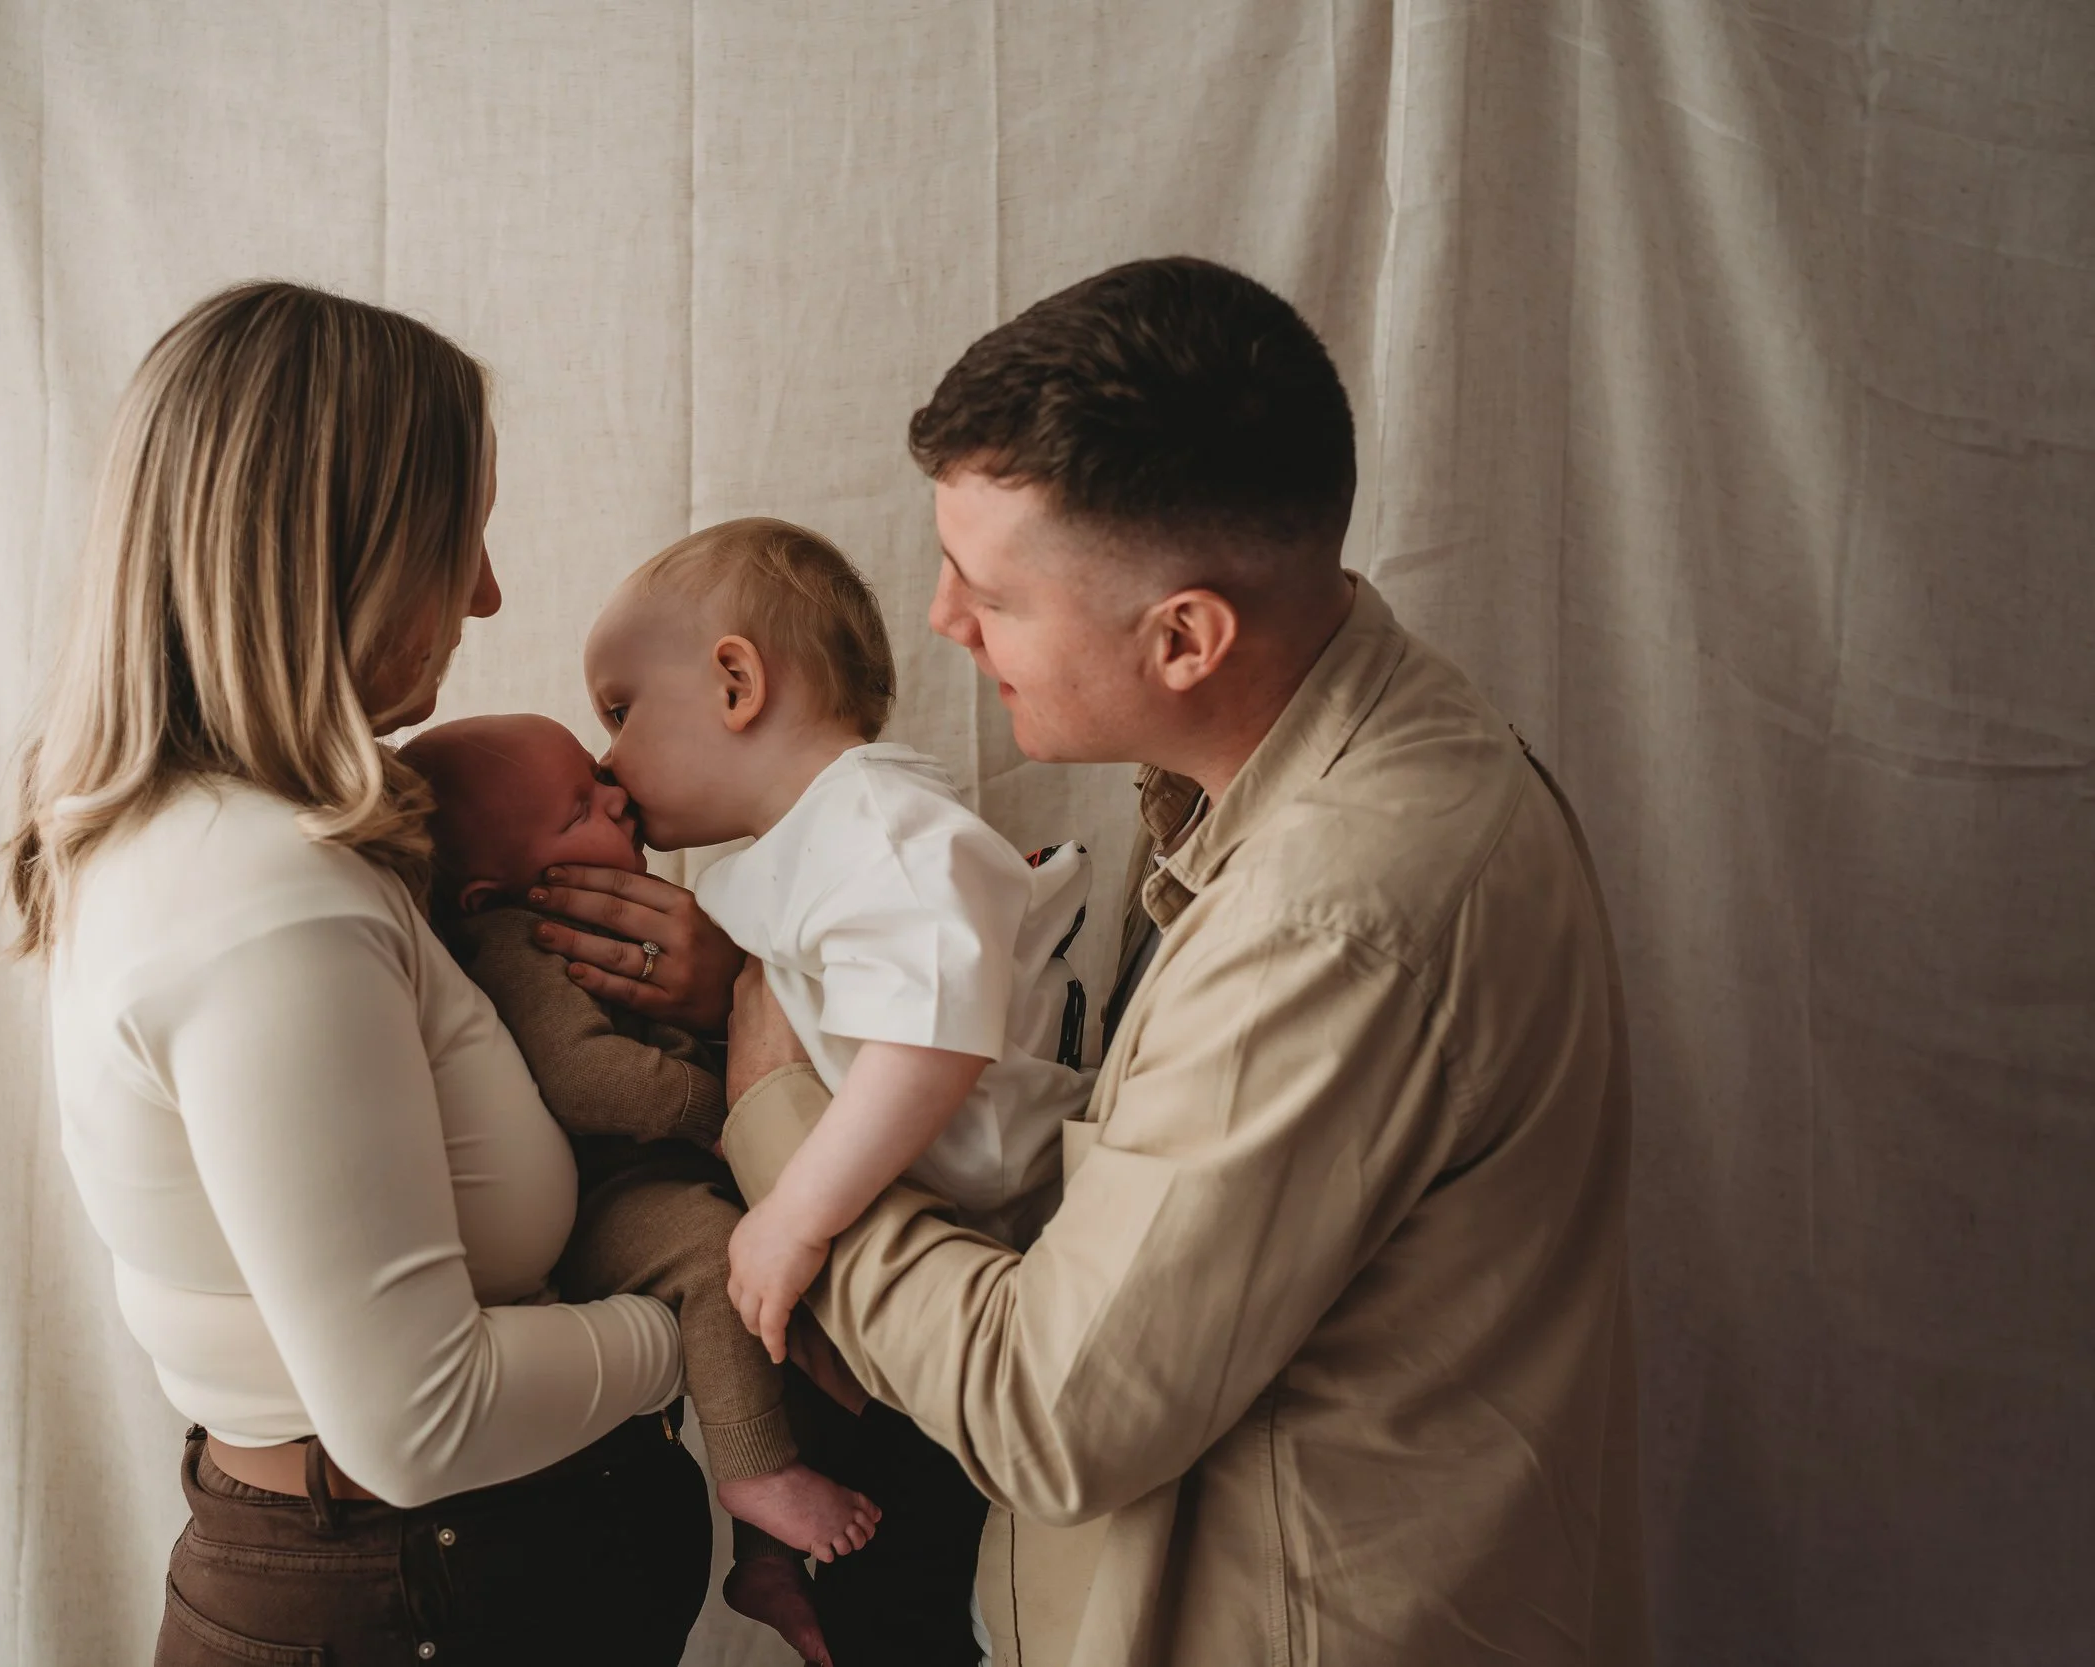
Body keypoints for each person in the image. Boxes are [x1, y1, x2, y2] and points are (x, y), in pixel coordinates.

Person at [541, 257, 1651, 1665]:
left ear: (1184, 636)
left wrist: (775, 1096)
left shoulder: (1331, 914)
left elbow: (1049, 1409)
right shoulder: (1302, 773)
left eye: (991, 589)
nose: (942, 619)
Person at [5, 282, 713, 1666]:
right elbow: (421, 1420)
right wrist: (706, 1314)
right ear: (338, 551)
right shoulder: (263, 898)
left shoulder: (235, 843)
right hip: (408, 1591)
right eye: (461, 538)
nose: (487, 592)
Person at [566, 515, 1097, 1665]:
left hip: (973, 1263)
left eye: (619, 710)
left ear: (735, 681)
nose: (603, 762)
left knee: (918, 1595)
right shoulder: (794, 851)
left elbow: (928, 1039)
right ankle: (782, 1558)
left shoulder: (877, 825)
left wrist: (795, 1214)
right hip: (891, 1293)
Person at [399, 712, 877, 1665]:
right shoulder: (518, 942)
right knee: (712, 1254)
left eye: (600, 776)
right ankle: (753, 1477)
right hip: (613, 1200)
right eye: (581, 807)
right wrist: (727, 1107)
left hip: (669, 1173)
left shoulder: (615, 917)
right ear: (498, 888)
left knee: (787, 1303)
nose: (619, 798)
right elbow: (587, 1079)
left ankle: (767, 1560)